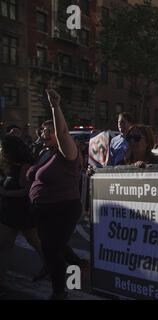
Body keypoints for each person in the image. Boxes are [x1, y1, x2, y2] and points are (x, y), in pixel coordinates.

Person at [26, 89, 82, 299]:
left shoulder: (68, 152)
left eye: (50, 131)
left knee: (52, 250)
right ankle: (75, 268)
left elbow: (63, 134)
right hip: (43, 210)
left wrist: (54, 106)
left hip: (63, 208)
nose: (44, 134)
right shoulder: (45, 152)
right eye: (43, 131)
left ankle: (63, 290)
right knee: (53, 248)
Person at [0, 135, 46, 295]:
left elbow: (27, 191)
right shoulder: (10, 165)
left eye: (3, 149)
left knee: (36, 243)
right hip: (8, 213)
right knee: (5, 246)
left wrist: (6, 192)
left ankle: (53, 269)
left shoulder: (25, 167)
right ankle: (2, 280)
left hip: (23, 212)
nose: (2, 152)